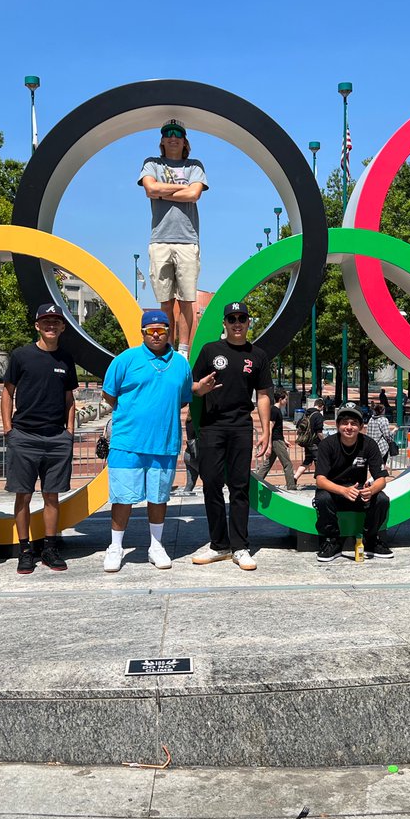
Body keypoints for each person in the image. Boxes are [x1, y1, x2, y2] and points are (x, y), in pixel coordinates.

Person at [100, 309, 194, 572]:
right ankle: (115, 547)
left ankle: (156, 545)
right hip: (127, 442)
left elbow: (183, 398)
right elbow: (110, 395)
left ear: (168, 333)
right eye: (151, 331)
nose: (156, 335)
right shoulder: (125, 360)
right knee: (122, 498)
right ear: (142, 333)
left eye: (161, 330)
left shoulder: (180, 364)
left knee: (159, 496)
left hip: (164, 443)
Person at [190, 302, 272, 570]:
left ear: (249, 322)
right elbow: (191, 385)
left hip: (240, 427)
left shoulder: (258, 355)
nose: (237, 323)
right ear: (224, 323)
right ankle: (219, 545)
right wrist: (200, 389)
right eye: (232, 318)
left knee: (239, 487)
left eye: (242, 318)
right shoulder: (210, 350)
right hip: (212, 427)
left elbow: (262, 395)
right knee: (211, 484)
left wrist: (266, 430)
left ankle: (240, 547)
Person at [1, 303, 79, 575]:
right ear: (37, 325)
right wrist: (9, 429)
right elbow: (7, 392)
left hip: (57, 437)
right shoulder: (22, 355)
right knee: (23, 495)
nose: (50, 326)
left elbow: (70, 398)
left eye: (55, 322)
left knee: (52, 496)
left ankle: (49, 547)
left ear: (62, 327)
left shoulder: (66, 359)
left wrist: (69, 432)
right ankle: (25, 550)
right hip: (24, 436)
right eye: (45, 321)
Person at [138, 119, 207, 357]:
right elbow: (149, 189)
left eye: (178, 133)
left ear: (185, 140)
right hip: (160, 239)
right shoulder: (151, 163)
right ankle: (166, 347)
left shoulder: (194, 166)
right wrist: (180, 191)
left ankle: (184, 350)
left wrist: (162, 189)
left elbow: (194, 194)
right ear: (162, 140)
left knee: (187, 300)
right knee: (165, 300)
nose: (173, 137)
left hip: (188, 240)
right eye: (168, 133)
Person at [314, 403, 391, 562]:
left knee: (382, 499)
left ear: (361, 426)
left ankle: (371, 539)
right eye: (344, 423)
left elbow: (381, 479)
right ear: (337, 425)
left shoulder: (369, 444)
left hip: (358, 492)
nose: (349, 427)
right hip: (334, 492)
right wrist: (343, 490)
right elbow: (320, 480)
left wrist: (371, 490)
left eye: (354, 423)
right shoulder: (327, 445)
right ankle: (332, 541)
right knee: (322, 498)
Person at [257, 388, 296, 490]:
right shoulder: (275, 411)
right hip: (276, 441)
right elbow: (270, 428)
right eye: (285, 399)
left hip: (277, 440)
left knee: (268, 464)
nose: (286, 401)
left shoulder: (275, 410)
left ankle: (256, 482)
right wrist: (269, 446)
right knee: (288, 464)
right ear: (280, 399)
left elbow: (276, 429)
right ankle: (291, 487)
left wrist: (284, 440)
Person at [293, 397, 325, 485]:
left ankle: (294, 478)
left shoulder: (306, 413)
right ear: (321, 406)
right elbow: (319, 431)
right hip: (314, 442)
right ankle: (320, 480)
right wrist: (324, 441)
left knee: (308, 460)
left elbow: (298, 425)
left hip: (306, 441)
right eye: (322, 407)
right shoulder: (318, 415)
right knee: (319, 461)